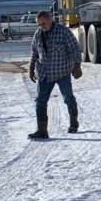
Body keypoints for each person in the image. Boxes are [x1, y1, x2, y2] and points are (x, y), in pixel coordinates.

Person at [28, 10, 81, 139]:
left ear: (51, 20)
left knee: (68, 98)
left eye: (44, 23)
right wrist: (30, 68)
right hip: (44, 74)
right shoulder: (38, 34)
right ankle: (42, 131)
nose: (42, 26)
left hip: (62, 72)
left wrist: (77, 65)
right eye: (39, 24)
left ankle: (73, 123)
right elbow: (34, 52)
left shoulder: (63, 32)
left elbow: (75, 49)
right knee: (40, 102)